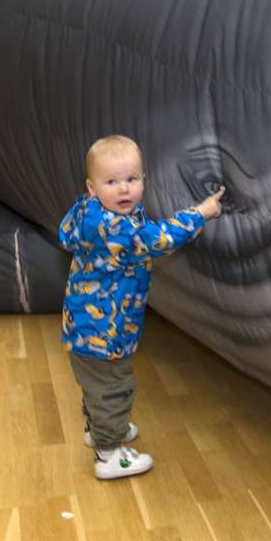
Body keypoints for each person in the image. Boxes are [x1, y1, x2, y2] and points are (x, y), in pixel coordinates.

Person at [59, 135, 225, 479]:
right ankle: (109, 453)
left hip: (83, 328)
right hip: (105, 331)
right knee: (114, 388)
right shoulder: (115, 228)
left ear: (143, 181)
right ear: (92, 187)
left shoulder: (89, 213)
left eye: (131, 180)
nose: (123, 190)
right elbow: (159, 239)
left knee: (97, 386)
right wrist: (202, 212)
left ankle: (100, 429)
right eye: (112, 182)